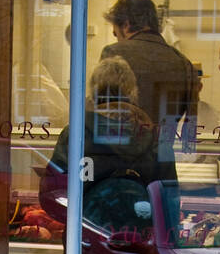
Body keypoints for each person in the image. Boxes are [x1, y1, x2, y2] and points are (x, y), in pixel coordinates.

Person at [41, 57, 157, 234]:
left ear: (93, 93)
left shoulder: (76, 134)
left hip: (87, 237)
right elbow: (168, 197)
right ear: (133, 92)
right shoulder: (150, 136)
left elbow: (53, 192)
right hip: (139, 239)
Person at [99, 0, 197, 184]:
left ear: (126, 24)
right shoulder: (183, 62)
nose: (118, 39)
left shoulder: (114, 53)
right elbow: (189, 135)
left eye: (116, 33)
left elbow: (101, 114)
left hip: (118, 170)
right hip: (162, 168)